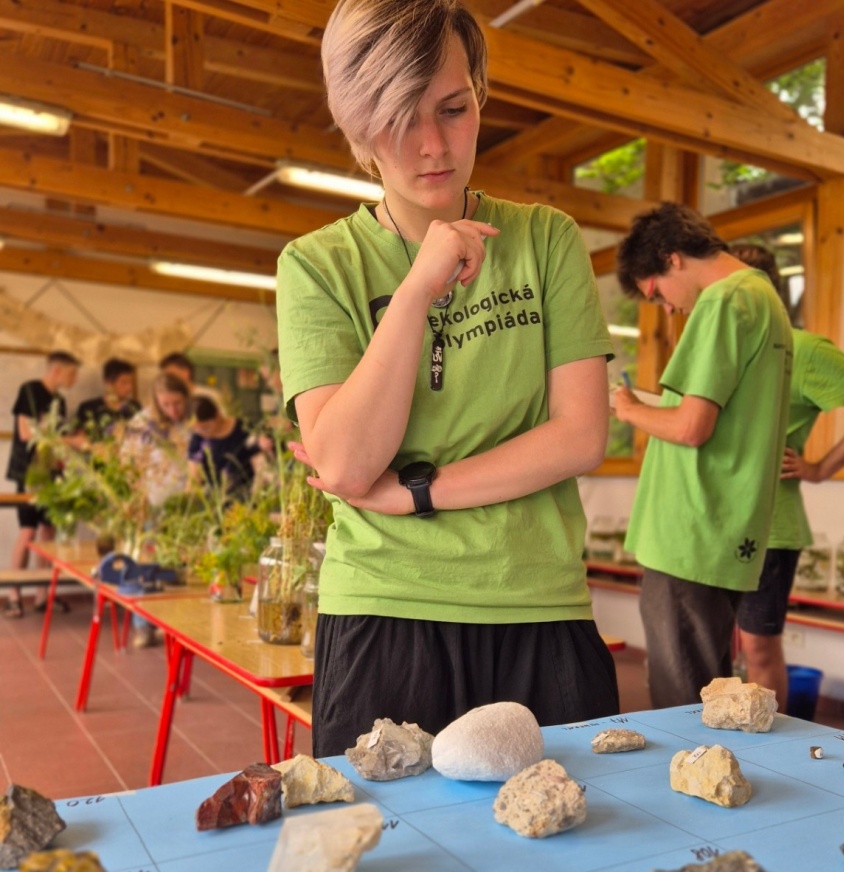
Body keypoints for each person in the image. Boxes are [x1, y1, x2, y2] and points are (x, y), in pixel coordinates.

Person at [276, 0, 620, 754]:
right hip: (384, 608)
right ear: (359, 131)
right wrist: (417, 285)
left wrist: (415, 491)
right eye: (398, 117)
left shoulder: (545, 239)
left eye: (453, 108)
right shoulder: (317, 264)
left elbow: (580, 436)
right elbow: (343, 462)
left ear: (480, 97)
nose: (431, 145)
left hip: (539, 603)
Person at [611, 204, 793, 709]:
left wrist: (627, 409)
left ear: (673, 259)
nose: (667, 308)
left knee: (682, 705)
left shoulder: (723, 300)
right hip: (725, 526)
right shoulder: (764, 298)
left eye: (655, 293)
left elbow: (692, 428)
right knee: (707, 690)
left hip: (692, 530)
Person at [730, 244, 844, 712]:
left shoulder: (802, 349)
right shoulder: (723, 350)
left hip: (770, 529)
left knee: (758, 648)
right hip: (714, 524)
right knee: (721, 651)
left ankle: (773, 752)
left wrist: (821, 467)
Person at [5, 350, 81, 618]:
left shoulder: (59, 400)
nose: (75, 379)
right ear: (57, 370)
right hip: (28, 474)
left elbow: (56, 438)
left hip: (51, 476)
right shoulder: (30, 391)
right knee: (27, 532)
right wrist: (70, 441)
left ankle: (43, 595)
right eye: (72, 373)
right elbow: (27, 433)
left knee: (48, 532)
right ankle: (14, 595)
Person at [121, 373, 192, 647]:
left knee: (177, 568)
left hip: (183, 507)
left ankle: (175, 626)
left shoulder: (190, 423)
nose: (173, 410)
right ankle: (143, 626)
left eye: (178, 403)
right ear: (156, 402)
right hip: (151, 504)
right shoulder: (141, 424)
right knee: (145, 567)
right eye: (167, 405)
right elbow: (128, 464)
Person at [187, 395, 262, 499]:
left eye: (206, 428)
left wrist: (257, 494)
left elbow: (259, 464)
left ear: (217, 415)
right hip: (214, 498)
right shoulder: (198, 438)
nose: (204, 434)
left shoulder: (243, 428)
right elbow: (194, 477)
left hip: (245, 494)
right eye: (197, 430)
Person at [74, 357, 140, 441]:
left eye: (131, 382)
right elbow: (80, 440)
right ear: (108, 383)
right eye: (124, 382)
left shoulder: (134, 407)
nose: (129, 387)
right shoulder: (88, 408)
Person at [159, 351, 224, 411]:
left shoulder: (210, 396)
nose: (168, 380)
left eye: (171, 375)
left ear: (185, 372)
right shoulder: (167, 401)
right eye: (165, 377)